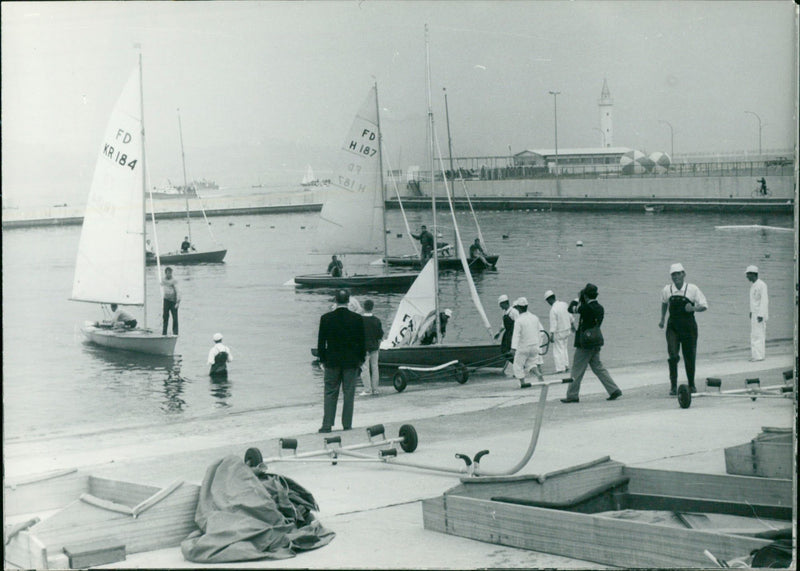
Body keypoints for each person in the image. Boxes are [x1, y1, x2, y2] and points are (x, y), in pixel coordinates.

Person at [562, 284, 622, 403]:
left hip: (585, 343)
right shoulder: (600, 308)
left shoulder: (585, 308)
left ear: (585, 295)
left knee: (577, 370)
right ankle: (613, 389)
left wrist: (577, 299)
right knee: (598, 367)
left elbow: (570, 308)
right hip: (596, 341)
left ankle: (572, 395)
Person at [316, 289, 365, 433]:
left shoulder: (326, 318)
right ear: (348, 300)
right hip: (351, 362)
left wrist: (322, 360)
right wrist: (360, 360)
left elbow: (321, 343)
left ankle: (327, 424)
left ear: (335, 300)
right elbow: (361, 343)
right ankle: (347, 424)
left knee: (330, 392)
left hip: (332, 361)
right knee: (349, 393)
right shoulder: (357, 319)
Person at [659, 263, 708, 395]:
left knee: (689, 356)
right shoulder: (667, 289)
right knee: (673, 355)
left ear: (684, 274)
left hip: (689, 327)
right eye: (673, 274)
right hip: (673, 327)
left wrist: (693, 308)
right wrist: (662, 319)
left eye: (678, 274)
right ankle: (673, 386)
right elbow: (664, 303)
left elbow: (704, 305)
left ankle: (691, 384)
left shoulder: (692, 289)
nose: (676, 277)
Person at [510, 297, 545, 389]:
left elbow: (516, 335)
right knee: (531, 363)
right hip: (534, 346)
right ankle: (538, 375)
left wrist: (513, 348)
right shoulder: (534, 317)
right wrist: (538, 345)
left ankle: (522, 383)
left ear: (518, 308)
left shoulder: (519, 320)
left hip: (524, 347)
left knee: (517, 365)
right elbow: (538, 332)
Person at [544, 290, 572, 373]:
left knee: (557, 350)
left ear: (549, 300)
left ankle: (560, 368)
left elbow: (553, 324)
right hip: (567, 329)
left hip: (559, 332)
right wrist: (572, 324)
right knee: (564, 349)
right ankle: (566, 366)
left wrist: (551, 335)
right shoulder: (564, 304)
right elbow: (570, 315)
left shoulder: (553, 309)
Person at [360, 299, 384, 396]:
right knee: (375, 368)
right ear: (372, 307)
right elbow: (380, 335)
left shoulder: (360, 320)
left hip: (363, 348)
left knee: (364, 368)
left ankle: (367, 389)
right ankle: (375, 389)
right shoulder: (377, 320)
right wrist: (378, 346)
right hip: (374, 347)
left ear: (363, 307)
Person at [746, 265, 768, 361]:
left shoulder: (762, 285)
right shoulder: (753, 286)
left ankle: (758, 356)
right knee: (754, 334)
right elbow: (754, 301)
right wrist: (751, 311)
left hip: (759, 314)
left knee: (758, 335)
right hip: (754, 313)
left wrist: (761, 314)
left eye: (748, 274)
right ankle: (757, 355)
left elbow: (764, 300)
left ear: (753, 274)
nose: (747, 277)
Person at [494, 295, 518, 363]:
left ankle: (519, 365)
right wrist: (498, 333)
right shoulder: (504, 312)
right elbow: (503, 325)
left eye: (501, 304)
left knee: (511, 352)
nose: (500, 306)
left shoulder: (514, 312)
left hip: (513, 334)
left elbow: (519, 324)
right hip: (507, 334)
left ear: (505, 303)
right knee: (504, 351)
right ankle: (516, 365)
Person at [161, 266, 180, 336]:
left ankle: (175, 333)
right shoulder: (163, 280)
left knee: (175, 317)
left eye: (170, 273)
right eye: (168, 273)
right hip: (166, 300)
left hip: (173, 301)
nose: (169, 274)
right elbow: (161, 286)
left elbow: (178, 291)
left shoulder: (174, 281)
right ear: (165, 273)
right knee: (165, 317)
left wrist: (178, 302)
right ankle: (164, 332)